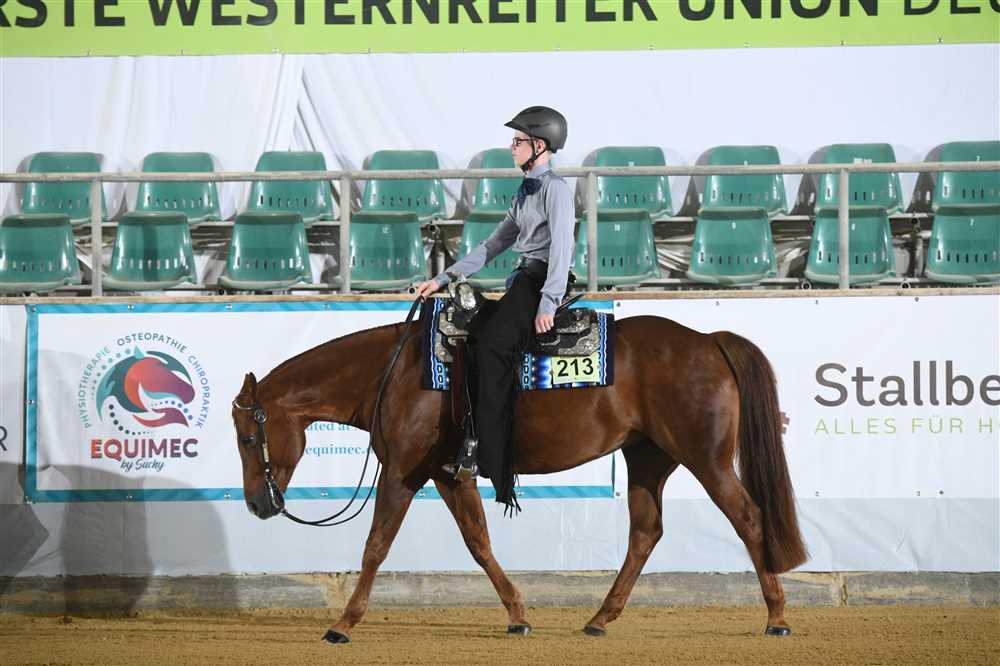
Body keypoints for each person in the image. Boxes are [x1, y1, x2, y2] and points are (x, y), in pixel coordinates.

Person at [414, 105, 575, 511]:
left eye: (519, 141)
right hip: (522, 280)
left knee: (493, 348)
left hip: (540, 282)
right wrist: (444, 278)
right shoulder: (525, 191)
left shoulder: (556, 190)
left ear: (541, 145)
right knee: (472, 336)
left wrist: (548, 302)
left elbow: (563, 249)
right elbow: (493, 245)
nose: (512, 147)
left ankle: (494, 455)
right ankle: (471, 437)